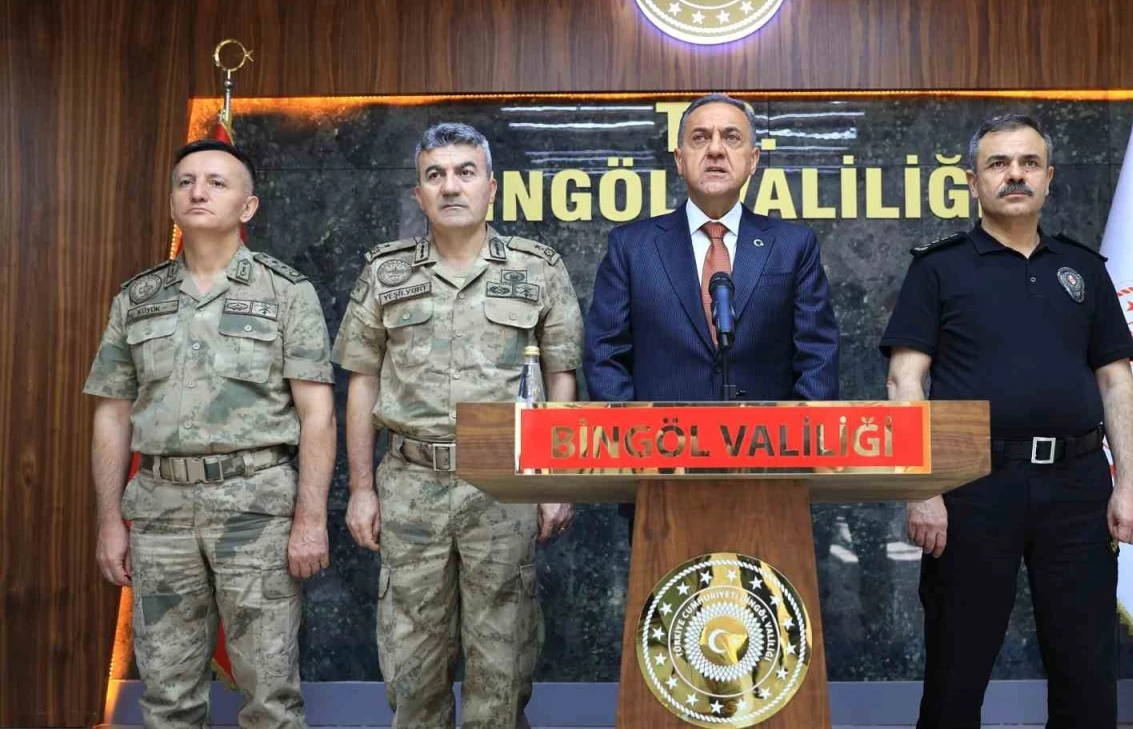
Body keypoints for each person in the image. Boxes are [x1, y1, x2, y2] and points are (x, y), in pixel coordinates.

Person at [880, 113, 1133, 728]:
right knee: (956, 672)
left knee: (1086, 673)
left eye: (1029, 163)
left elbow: (1116, 383)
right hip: (970, 485)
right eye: (998, 164)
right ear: (973, 181)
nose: (1015, 175)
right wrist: (922, 488)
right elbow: (904, 381)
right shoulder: (938, 269)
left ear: (1049, 178)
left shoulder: (1084, 269)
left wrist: (1130, 484)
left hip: (1077, 486)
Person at [332, 123, 582, 729]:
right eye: (435, 175)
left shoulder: (537, 269)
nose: (450, 186)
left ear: (491, 187)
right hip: (410, 482)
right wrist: (361, 488)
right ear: (418, 194)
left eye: (465, 172)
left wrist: (555, 479)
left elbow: (562, 377)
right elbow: (361, 382)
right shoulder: (386, 273)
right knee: (412, 666)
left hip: (502, 479)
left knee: (503, 665)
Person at [85, 139, 337, 729]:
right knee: (167, 697)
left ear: (248, 206)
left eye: (217, 182)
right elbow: (111, 415)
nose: (198, 192)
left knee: (270, 697)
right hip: (160, 514)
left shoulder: (285, 293)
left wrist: (310, 518)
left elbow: (318, 414)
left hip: (256, 512)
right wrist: (108, 520)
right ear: (172, 201)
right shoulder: (137, 299)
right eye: (186, 182)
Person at [584, 93, 840, 529]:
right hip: (659, 479)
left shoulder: (792, 246)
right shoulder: (632, 247)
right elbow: (605, 355)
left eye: (731, 137)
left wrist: (794, 452)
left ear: (753, 159)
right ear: (679, 159)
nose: (716, 149)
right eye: (700, 138)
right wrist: (637, 446)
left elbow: (817, 356)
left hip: (771, 478)